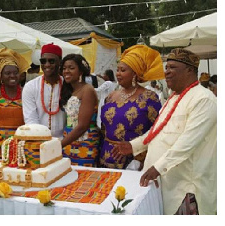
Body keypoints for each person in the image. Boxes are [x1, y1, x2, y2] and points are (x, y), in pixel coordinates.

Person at [112, 48, 217, 215]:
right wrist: (132, 146)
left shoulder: (204, 99)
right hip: (164, 182)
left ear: (190, 70)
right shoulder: (173, 97)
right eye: (166, 67)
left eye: (172, 68)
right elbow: (157, 131)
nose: (166, 72)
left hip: (186, 187)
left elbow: (187, 143)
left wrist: (158, 167)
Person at [99, 45, 163, 170]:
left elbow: (157, 130)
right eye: (117, 70)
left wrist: (139, 154)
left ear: (135, 73)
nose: (118, 74)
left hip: (133, 161)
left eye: (123, 70)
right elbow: (104, 127)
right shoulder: (111, 96)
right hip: (106, 157)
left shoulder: (149, 98)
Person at [60, 54, 99, 167]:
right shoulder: (71, 90)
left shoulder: (87, 90)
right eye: (64, 68)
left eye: (71, 68)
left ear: (81, 72)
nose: (66, 71)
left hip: (85, 143)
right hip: (69, 140)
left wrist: (59, 145)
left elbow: (83, 126)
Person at [22, 43, 66, 139]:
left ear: (60, 62)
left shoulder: (68, 85)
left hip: (66, 141)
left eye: (51, 61)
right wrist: (41, 140)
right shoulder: (30, 87)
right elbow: (31, 119)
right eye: (43, 61)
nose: (47, 64)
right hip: (39, 139)